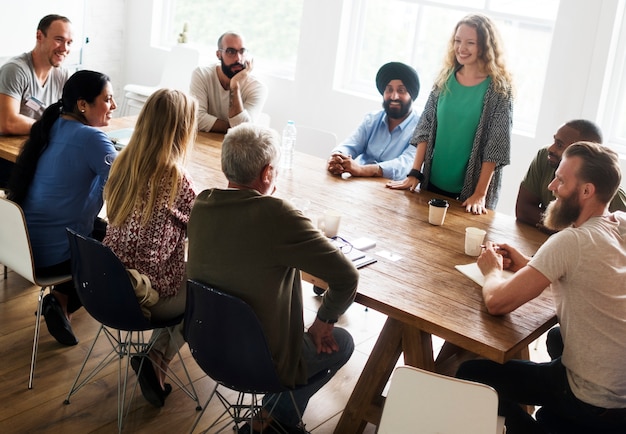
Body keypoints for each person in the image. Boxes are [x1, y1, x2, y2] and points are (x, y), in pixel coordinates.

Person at [187, 123, 358, 433]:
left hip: (206, 347)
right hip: (261, 362)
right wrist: (324, 321)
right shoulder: (277, 214)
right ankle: (274, 421)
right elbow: (347, 276)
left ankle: (268, 420)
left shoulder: (201, 203)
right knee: (343, 343)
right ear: (267, 173)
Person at [456, 141, 626, 434]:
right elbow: (590, 278)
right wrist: (529, 265)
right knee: (557, 337)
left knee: (470, 373)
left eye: (561, 180)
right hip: (620, 392)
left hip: (593, 398)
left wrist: (492, 270)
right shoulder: (619, 224)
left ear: (587, 191)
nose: (551, 186)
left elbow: (496, 303)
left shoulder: (571, 242)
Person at [7, 70, 117, 346]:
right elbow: (123, 185)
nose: (113, 106)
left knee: (100, 229)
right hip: (52, 257)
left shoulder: (50, 125)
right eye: (108, 99)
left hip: (20, 245)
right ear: (82, 105)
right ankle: (61, 299)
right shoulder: (93, 139)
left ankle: (61, 301)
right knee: (118, 245)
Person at [103, 88, 197, 408]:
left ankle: (154, 357)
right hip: (146, 296)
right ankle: (157, 356)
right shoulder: (174, 178)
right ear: (182, 131)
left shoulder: (121, 164)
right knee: (207, 288)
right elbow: (203, 231)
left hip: (107, 284)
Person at [386, 14, 513, 215]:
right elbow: (425, 129)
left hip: (470, 194)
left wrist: (480, 194)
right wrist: (415, 174)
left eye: (470, 43)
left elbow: (495, 146)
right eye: (457, 41)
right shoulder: (444, 80)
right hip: (433, 182)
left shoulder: (498, 91)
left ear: (485, 46)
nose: (461, 48)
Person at [0, 14, 73, 186]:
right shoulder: (15, 70)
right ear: (39, 36)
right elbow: (8, 122)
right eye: (59, 40)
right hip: (7, 158)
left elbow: (69, 118)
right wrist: (51, 126)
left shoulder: (62, 75)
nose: (64, 48)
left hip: (38, 149)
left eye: (69, 42)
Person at [516, 119, 626, 231]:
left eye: (559, 145)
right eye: (554, 141)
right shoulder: (545, 157)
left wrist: (566, 231)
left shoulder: (612, 194)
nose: (551, 148)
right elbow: (523, 210)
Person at [327, 62, 420, 180]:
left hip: (394, 192)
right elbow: (350, 144)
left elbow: (405, 165)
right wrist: (338, 157)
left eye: (401, 90)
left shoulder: (420, 129)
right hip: (359, 185)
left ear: (412, 94)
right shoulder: (372, 120)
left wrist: (362, 170)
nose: (394, 96)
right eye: (389, 90)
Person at [189, 31, 268, 133]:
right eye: (231, 52)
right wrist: (233, 128)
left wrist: (235, 85)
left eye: (242, 51)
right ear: (219, 54)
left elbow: (244, 132)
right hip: (205, 143)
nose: (238, 58)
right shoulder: (202, 74)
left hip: (238, 148)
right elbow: (197, 118)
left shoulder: (258, 87)